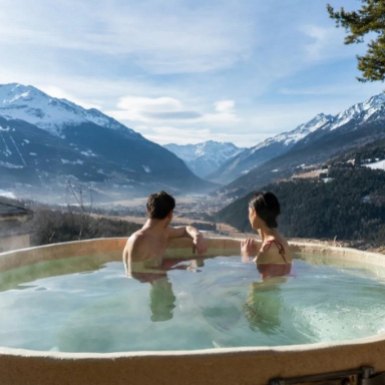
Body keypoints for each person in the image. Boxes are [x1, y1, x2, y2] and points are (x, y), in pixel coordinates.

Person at [123, 190, 207, 277]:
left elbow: (185, 229)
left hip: (156, 284)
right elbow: (134, 275)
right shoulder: (139, 240)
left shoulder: (163, 232)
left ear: (148, 210)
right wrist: (175, 269)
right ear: (170, 214)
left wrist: (197, 236)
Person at [241, 191, 292, 279]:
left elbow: (248, 275)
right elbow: (264, 228)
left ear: (254, 213)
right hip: (276, 289)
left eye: (249, 212)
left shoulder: (267, 248)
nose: (248, 216)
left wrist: (245, 254)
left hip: (265, 291)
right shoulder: (282, 240)